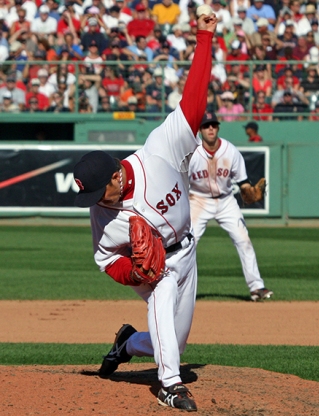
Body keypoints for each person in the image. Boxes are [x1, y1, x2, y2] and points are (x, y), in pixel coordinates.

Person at [72, 13, 218, 412]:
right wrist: (136, 272)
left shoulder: (158, 151)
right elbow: (106, 261)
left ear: (117, 175)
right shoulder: (101, 217)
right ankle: (169, 386)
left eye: (102, 191)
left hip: (187, 251)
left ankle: (126, 342)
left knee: (170, 339)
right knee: (161, 297)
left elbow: (193, 102)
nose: (99, 202)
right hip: (157, 269)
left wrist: (204, 38)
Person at [188, 112, 273, 301]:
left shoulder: (230, 151)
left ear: (218, 127)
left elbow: (243, 182)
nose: (210, 128)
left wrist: (250, 193)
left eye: (213, 125)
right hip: (198, 200)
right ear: (200, 129)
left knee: (244, 240)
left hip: (226, 200)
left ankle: (257, 287)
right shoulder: (192, 152)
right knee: (187, 245)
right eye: (206, 126)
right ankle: (182, 290)